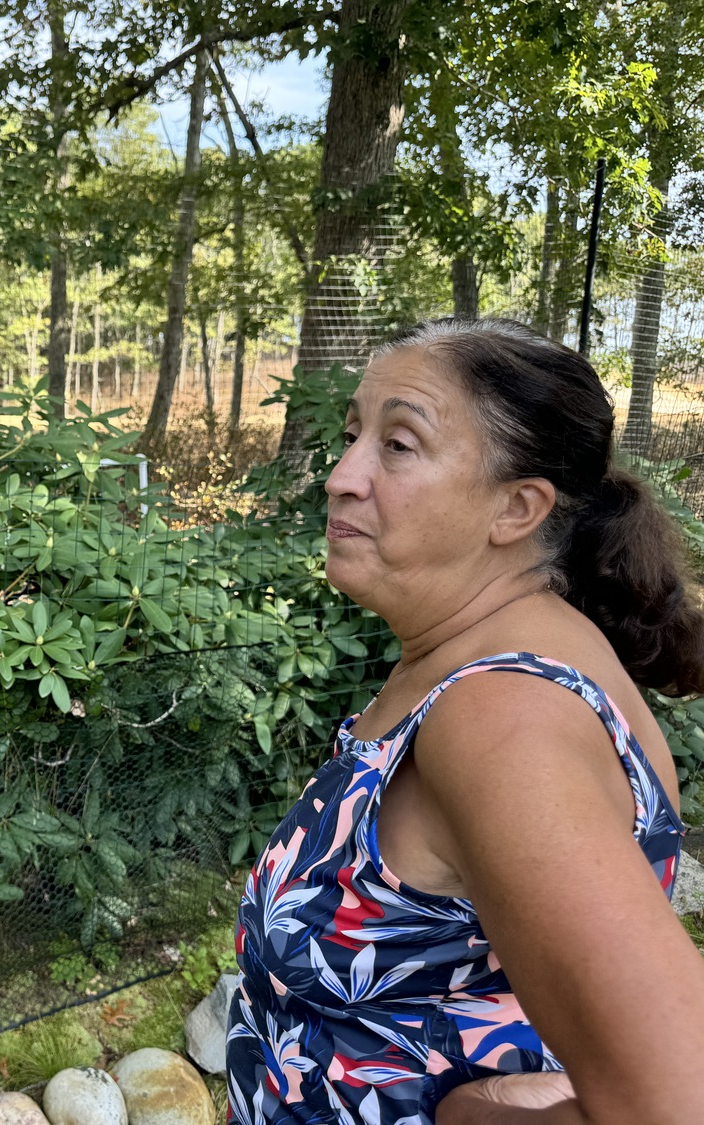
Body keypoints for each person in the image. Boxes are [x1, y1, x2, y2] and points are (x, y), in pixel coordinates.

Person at [225, 318, 704, 1124]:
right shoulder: (477, 660)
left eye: (399, 444)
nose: (342, 475)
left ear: (517, 507)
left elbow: (677, 1099)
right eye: (353, 434)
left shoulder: (502, 716)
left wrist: (474, 1117)